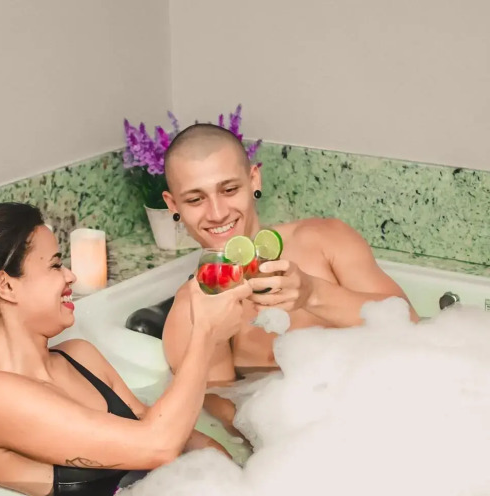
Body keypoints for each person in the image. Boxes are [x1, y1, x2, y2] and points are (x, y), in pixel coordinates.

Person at [0, 198, 251, 496]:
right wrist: (204, 335)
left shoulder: (79, 356)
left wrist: (241, 486)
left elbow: (178, 435)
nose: (69, 276)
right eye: (55, 265)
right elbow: (158, 445)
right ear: (6, 286)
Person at [160, 123, 419, 432]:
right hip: (303, 442)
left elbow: (413, 327)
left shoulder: (324, 241)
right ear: (173, 205)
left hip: (398, 407)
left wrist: (313, 293)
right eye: (195, 200)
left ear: (253, 180)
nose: (217, 213)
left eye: (229, 190)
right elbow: (229, 415)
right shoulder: (191, 311)